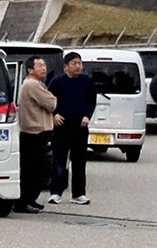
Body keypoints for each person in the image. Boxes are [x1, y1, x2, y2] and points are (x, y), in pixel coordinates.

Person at [47, 51, 97, 205]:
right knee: (59, 160)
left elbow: (91, 101)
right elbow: (49, 100)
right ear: (66, 66)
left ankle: (79, 194)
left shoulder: (86, 81)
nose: (77, 66)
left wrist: (87, 116)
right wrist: (54, 114)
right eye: (74, 63)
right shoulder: (57, 82)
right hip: (62, 126)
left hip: (80, 126)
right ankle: (56, 192)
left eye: (79, 63)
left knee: (79, 161)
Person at [15, 58, 56, 213]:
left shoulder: (35, 84)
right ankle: (23, 202)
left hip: (36, 132)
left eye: (44, 65)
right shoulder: (32, 85)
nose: (44, 68)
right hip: (34, 132)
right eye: (39, 66)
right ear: (30, 70)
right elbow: (51, 103)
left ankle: (30, 199)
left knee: (36, 169)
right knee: (30, 169)